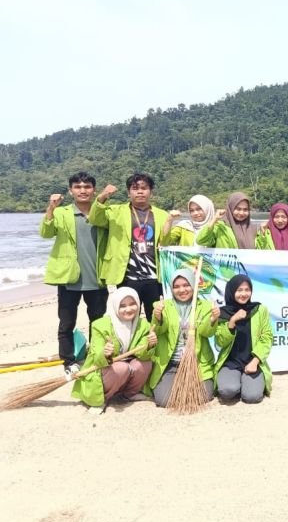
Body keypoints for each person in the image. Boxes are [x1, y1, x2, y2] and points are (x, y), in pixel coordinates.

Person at [40, 171, 109, 377]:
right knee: (67, 324)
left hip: (97, 278)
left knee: (98, 322)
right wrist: (51, 208)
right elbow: (46, 233)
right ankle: (69, 362)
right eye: (78, 187)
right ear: (71, 191)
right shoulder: (62, 213)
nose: (83, 190)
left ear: (93, 190)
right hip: (69, 278)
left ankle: (94, 356)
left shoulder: (102, 213)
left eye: (87, 187)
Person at [89, 173, 170, 320]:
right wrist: (102, 197)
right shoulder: (115, 211)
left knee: (158, 318)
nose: (139, 191)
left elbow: (168, 244)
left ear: (151, 192)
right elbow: (94, 218)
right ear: (128, 192)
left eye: (144, 188)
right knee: (128, 318)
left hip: (154, 277)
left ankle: (156, 343)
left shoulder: (163, 215)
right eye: (135, 188)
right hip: (127, 277)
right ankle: (132, 343)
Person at [71, 288, 156, 415]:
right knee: (122, 367)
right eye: (122, 306)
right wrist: (105, 353)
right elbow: (95, 357)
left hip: (127, 367)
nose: (129, 309)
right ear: (115, 306)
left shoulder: (142, 324)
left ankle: (129, 394)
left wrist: (149, 345)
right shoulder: (100, 325)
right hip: (103, 369)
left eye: (133, 304)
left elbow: (141, 353)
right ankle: (102, 398)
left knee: (145, 363)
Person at [146, 269, 219, 407]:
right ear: (172, 289)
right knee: (164, 400)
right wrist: (158, 317)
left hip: (197, 363)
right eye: (177, 286)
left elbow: (206, 333)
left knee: (204, 396)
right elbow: (159, 330)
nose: (182, 290)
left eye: (186, 285)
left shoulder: (204, 306)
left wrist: (213, 319)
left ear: (193, 285)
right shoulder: (163, 306)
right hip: (171, 363)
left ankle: (188, 385)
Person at [215, 275, 273, 403]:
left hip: (252, 363)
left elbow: (267, 337)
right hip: (231, 364)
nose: (244, 294)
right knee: (227, 391)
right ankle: (236, 380)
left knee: (252, 397)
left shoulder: (259, 310)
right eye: (239, 290)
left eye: (247, 290)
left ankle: (250, 382)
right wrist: (232, 322)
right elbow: (220, 342)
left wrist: (255, 361)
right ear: (231, 291)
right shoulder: (222, 313)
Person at [196, 192, 273, 250]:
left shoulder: (253, 229)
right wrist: (214, 220)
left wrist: (263, 233)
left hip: (248, 271)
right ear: (230, 208)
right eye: (238, 209)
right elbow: (201, 240)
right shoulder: (220, 227)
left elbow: (261, 252)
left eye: (245, 210)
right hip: (226, 271)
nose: (241, 213)